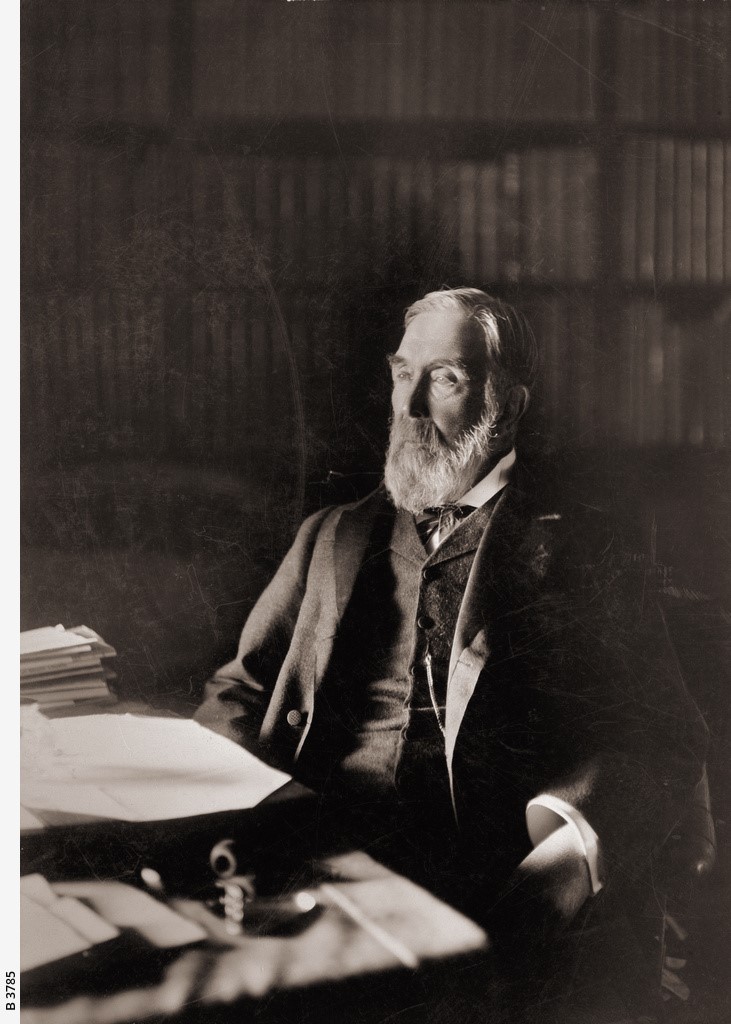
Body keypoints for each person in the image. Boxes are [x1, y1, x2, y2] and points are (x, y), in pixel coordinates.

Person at [195, 287, 708, 1016]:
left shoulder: (585, 551)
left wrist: (561, 867)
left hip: (489, 887)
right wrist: (222, 825)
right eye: (403, 373)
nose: (408, 407)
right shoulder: (332, 535)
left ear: (510, 403)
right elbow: (239, 692)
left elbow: (660, 737)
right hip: (311, 864)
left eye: (445, 379)